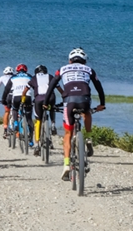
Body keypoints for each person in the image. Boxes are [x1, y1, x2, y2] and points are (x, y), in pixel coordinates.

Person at [44, 48, 106, 181]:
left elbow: (52, 85)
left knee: (68, 134)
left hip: (69, 101)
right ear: (84, 61)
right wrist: (102, 103)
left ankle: (66, 165)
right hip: (84, 99)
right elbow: (98, 86)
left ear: (70, 60)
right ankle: (88, 137)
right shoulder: (89, 70)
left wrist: (45, 102)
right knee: (87, 112)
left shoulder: (62, 69)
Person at [27, 64, 61, 153]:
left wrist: (23, 98)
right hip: (50, 98)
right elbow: (59, 89)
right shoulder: (50, 77)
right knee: (52, 109)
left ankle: (37, 144)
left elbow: (26, 89)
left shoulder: (34, 78)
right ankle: (53, 124)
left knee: (38, 120)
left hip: (39, 99)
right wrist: (65, 97)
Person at [2, 63, 34, 149]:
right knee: (29, 118)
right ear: (26, 70)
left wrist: (3, 99)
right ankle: (31, 140)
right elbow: (36, 87)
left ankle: (15, 122)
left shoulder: (13, 77)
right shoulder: (30, 76)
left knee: (15, 109)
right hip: (27, 97)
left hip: (16, 96)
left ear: (17, 70)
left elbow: (6, 90)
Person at [0, 66, 15, 138]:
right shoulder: (15, 77)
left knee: (7, 112)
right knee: (16, 110)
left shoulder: (2, 78)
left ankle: (5, 130)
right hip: (16, 95)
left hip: (7, 96)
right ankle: (17, 131)